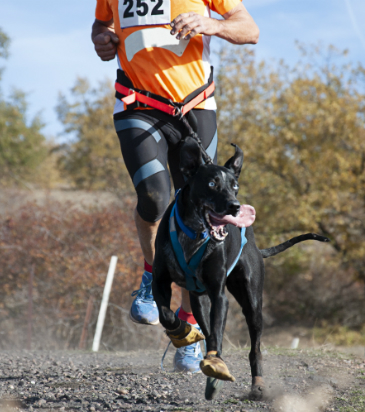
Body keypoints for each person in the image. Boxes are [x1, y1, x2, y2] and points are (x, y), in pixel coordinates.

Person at [92, 0, 259, 373]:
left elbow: (250, 30)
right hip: (138, 105)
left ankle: (189, 326)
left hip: (195, 106)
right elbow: (101, 24)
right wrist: (102, 39)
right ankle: (153, 276)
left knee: (198, 214)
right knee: (154, 197)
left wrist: (209, 24)